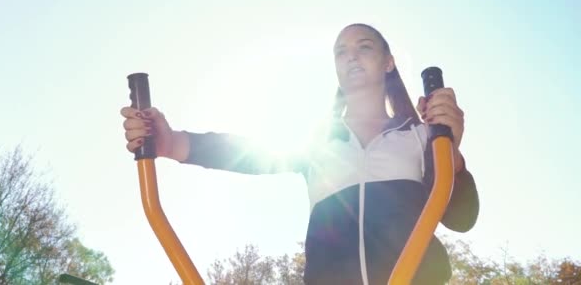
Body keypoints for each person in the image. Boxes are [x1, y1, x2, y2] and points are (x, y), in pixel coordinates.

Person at [120, 23, 479, 284]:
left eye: (365, 46)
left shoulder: (418, 136)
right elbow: (245, 152)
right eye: (341, 51)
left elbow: (461, 218)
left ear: (388, 62)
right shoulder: (318, 143)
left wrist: (451, 150)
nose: (351, 55)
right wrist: (169, 142)